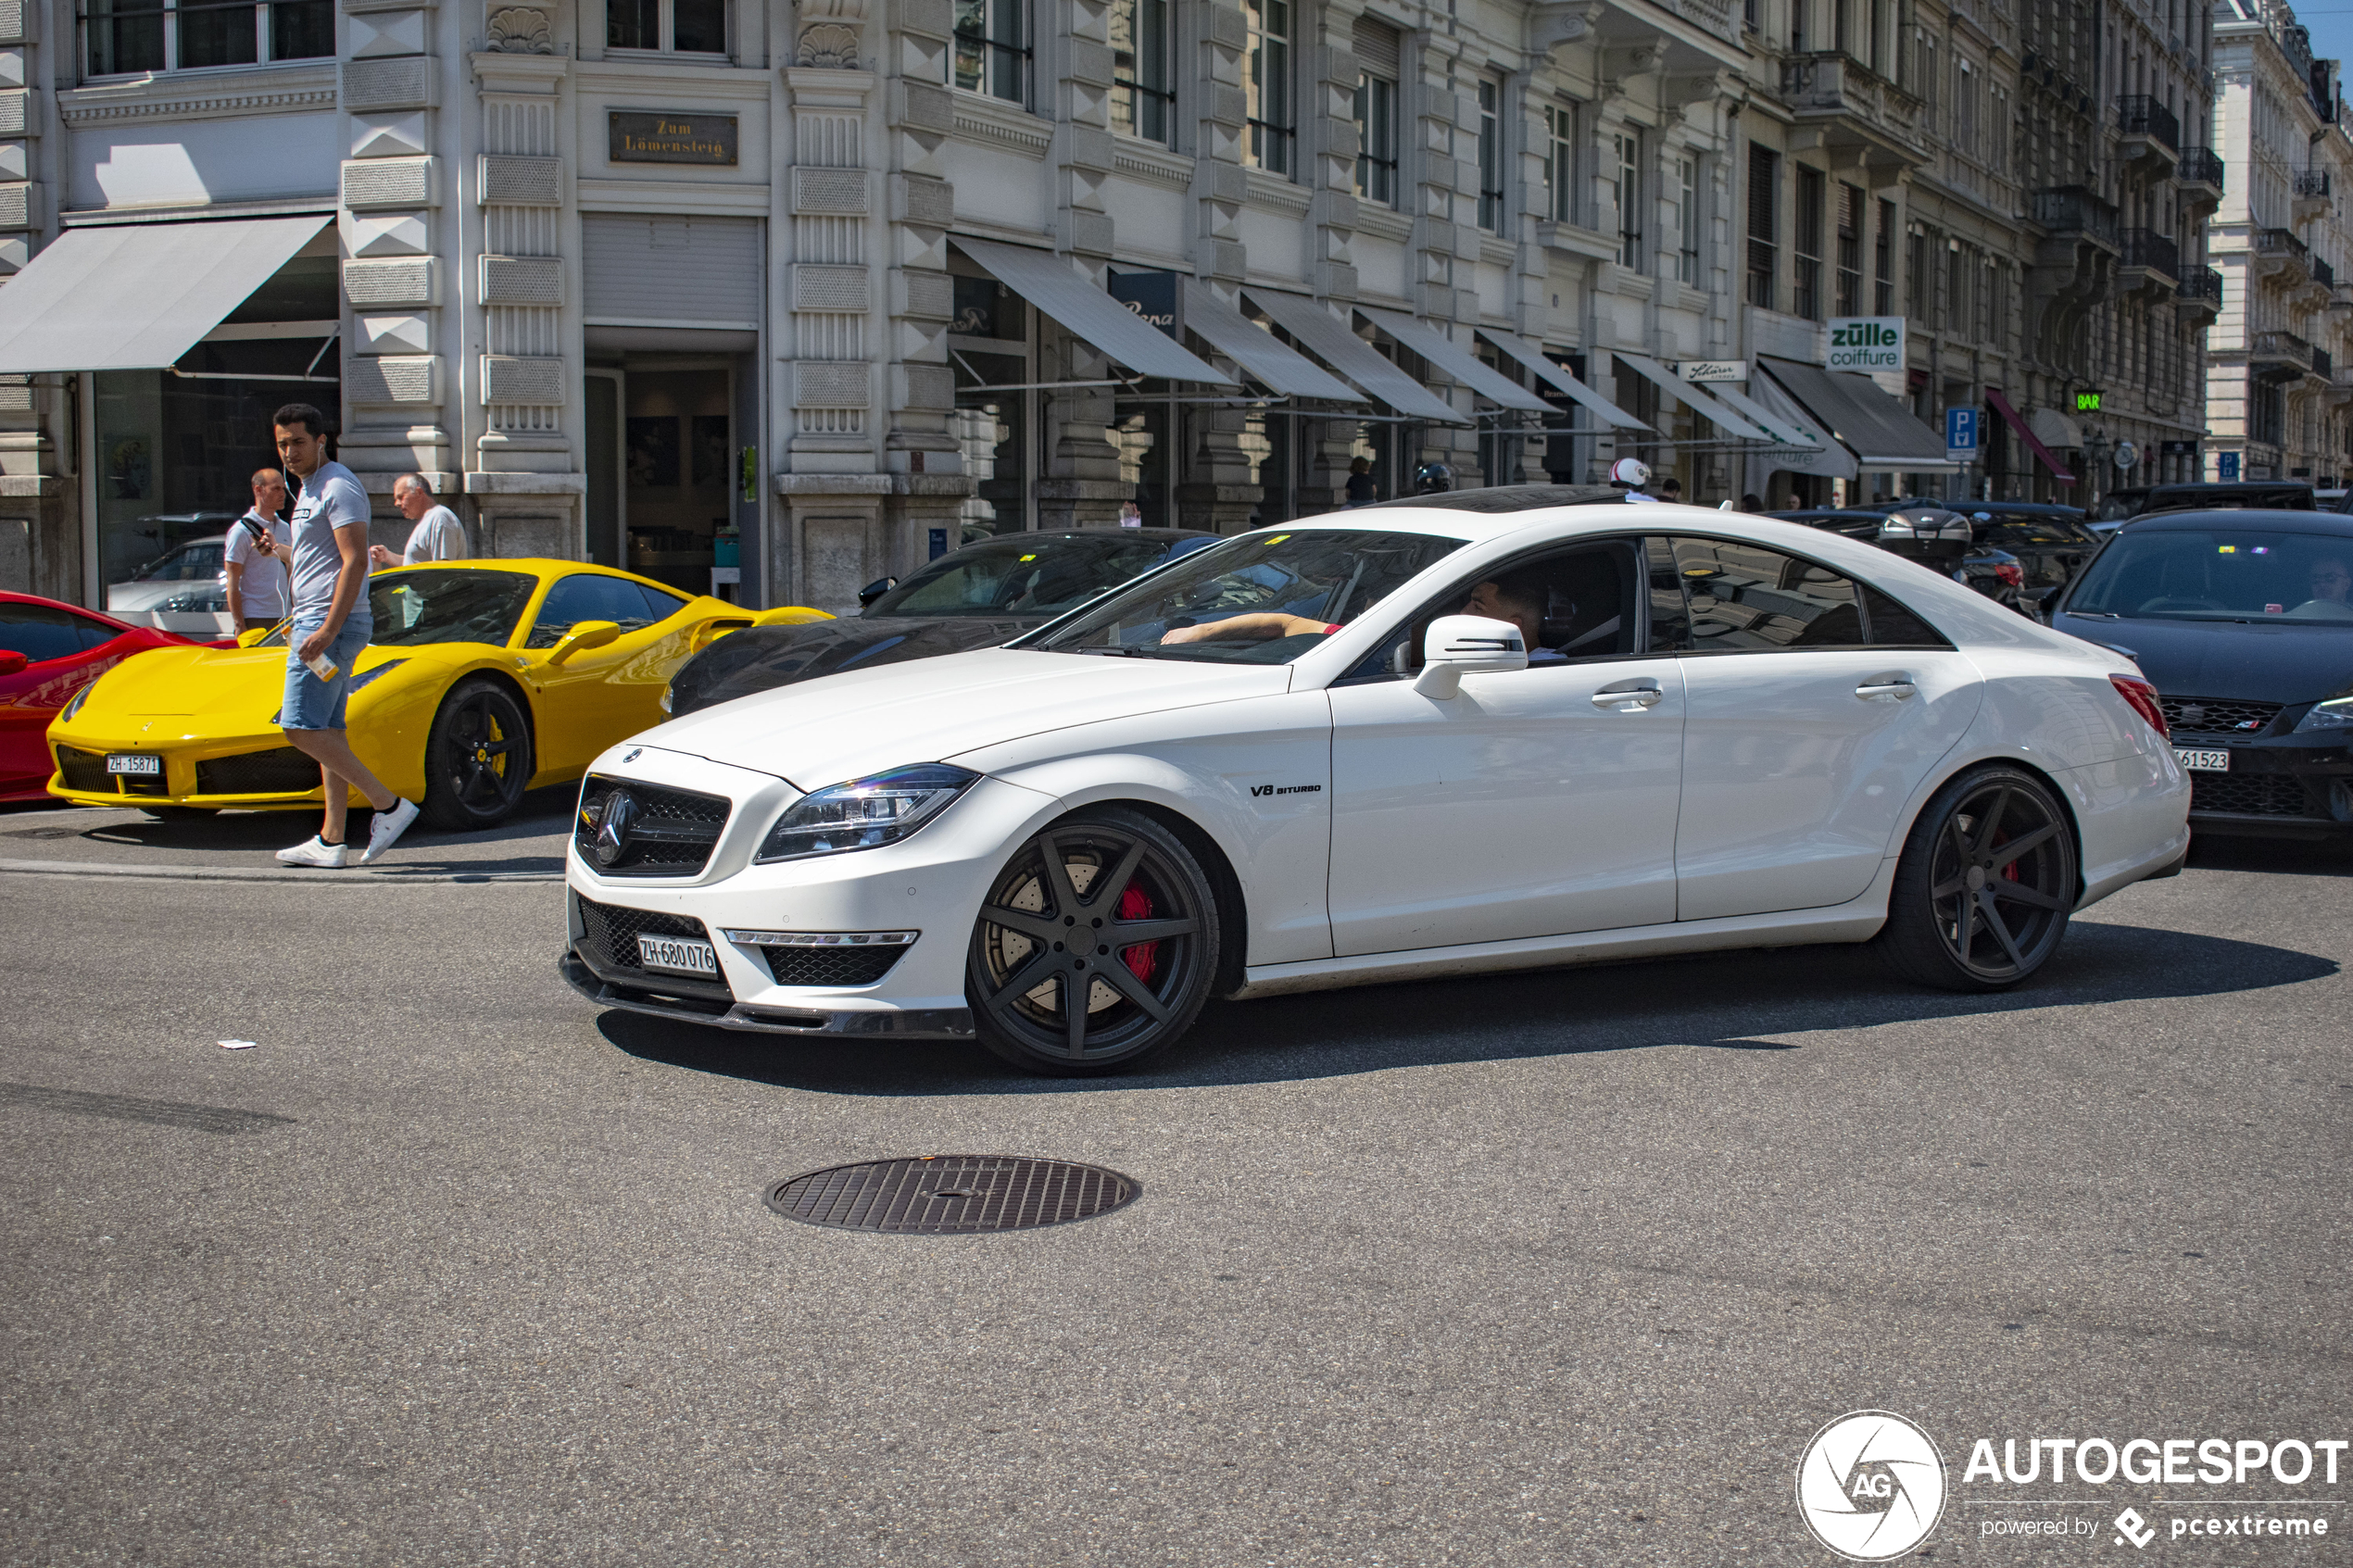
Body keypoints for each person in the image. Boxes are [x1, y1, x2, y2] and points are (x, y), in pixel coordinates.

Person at [255, 405, 422, 868]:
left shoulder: (338, 485)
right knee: (327, 730)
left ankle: (388, 805)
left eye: (298, 443)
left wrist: (327, 629)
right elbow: (319, 559)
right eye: (282, 444)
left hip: (328, 623)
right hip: (319, 618)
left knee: (298, 726)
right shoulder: (309, 490)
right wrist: (279, 552)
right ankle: (331, 840)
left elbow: (354, 561)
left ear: (322, 440)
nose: (289, 452)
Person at [1163, 574, 1551, 656]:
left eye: (1477, 606)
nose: (1462, 613)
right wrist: (1200, 631)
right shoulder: (1393, 644)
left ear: (1513, 627)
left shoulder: (1553, 673)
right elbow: (1287, 623)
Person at [224, 467, 291, 633]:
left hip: (287, 615)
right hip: (256, 616)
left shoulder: (285, 527)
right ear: (258, 490)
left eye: (283, 488)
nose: (282, 494)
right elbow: (232, 581)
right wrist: (240, 624)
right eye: (276, 488)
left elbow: (291, 569)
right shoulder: (241, 531)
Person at [370, 473, 468, 568]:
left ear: (419, 492)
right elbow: (415, 565)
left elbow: (442, 569)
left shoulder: (440, 518)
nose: (397, 504)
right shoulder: (428, 519)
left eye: (401, 497)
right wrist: (387, 556)